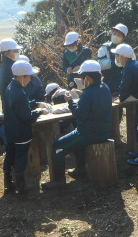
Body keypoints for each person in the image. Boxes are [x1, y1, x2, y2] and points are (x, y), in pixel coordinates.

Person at [41, 60, 112, 190]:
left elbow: (79, 115)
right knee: (75, 141)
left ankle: (58, 180)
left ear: (88, 78)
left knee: (57, 146)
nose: (81, 81)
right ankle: (80, 170)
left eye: (81, 78)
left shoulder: (88, 93)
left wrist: (70, 101)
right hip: (103, 130)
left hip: (88, 133)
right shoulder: (104, 87)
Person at [3, 60, 47, 194]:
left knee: (10, 155)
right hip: (21, 132)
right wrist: (39, 112)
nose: (30, 79)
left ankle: (8, 182)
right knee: (21, 158)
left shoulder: (11, 87)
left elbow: (22, 105)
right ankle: (21, 187)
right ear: (22, 76)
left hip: (10, 130)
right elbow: (27, 117)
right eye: (29, 76)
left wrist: (36, 104)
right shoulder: (18, 92)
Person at [97, 23, 128, 95]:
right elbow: (100, 64)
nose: (115, 36)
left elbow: (131, 62)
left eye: (119, 35)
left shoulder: (126, 48)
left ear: (123, 38)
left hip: (122, 82)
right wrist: (115, 63)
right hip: (107, 80)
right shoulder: (104, 47)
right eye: (114, 34)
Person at [0, 38, 21, 109]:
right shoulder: (10, 67)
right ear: (6, 53)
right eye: (15, 51)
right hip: (12, 108)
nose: (18, 52)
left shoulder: (5, 65)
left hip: (9, 106)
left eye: (18, 50)